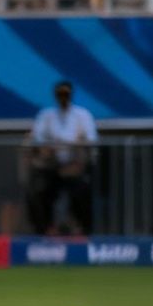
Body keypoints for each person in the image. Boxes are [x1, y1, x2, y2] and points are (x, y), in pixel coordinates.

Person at [25, 80, 96, 229]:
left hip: (76, 167)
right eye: (60, 94)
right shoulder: (46, 115)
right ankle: (46, 229)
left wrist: (76, 157)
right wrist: (50, 153)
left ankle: (81, 229)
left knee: (82, 192)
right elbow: (38, 140)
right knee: (37, 191)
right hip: (52, 167)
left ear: (71, 95)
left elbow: (89, 141)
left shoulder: (82, 115)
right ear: (55, 95)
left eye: (66, 94)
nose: (63, 97)